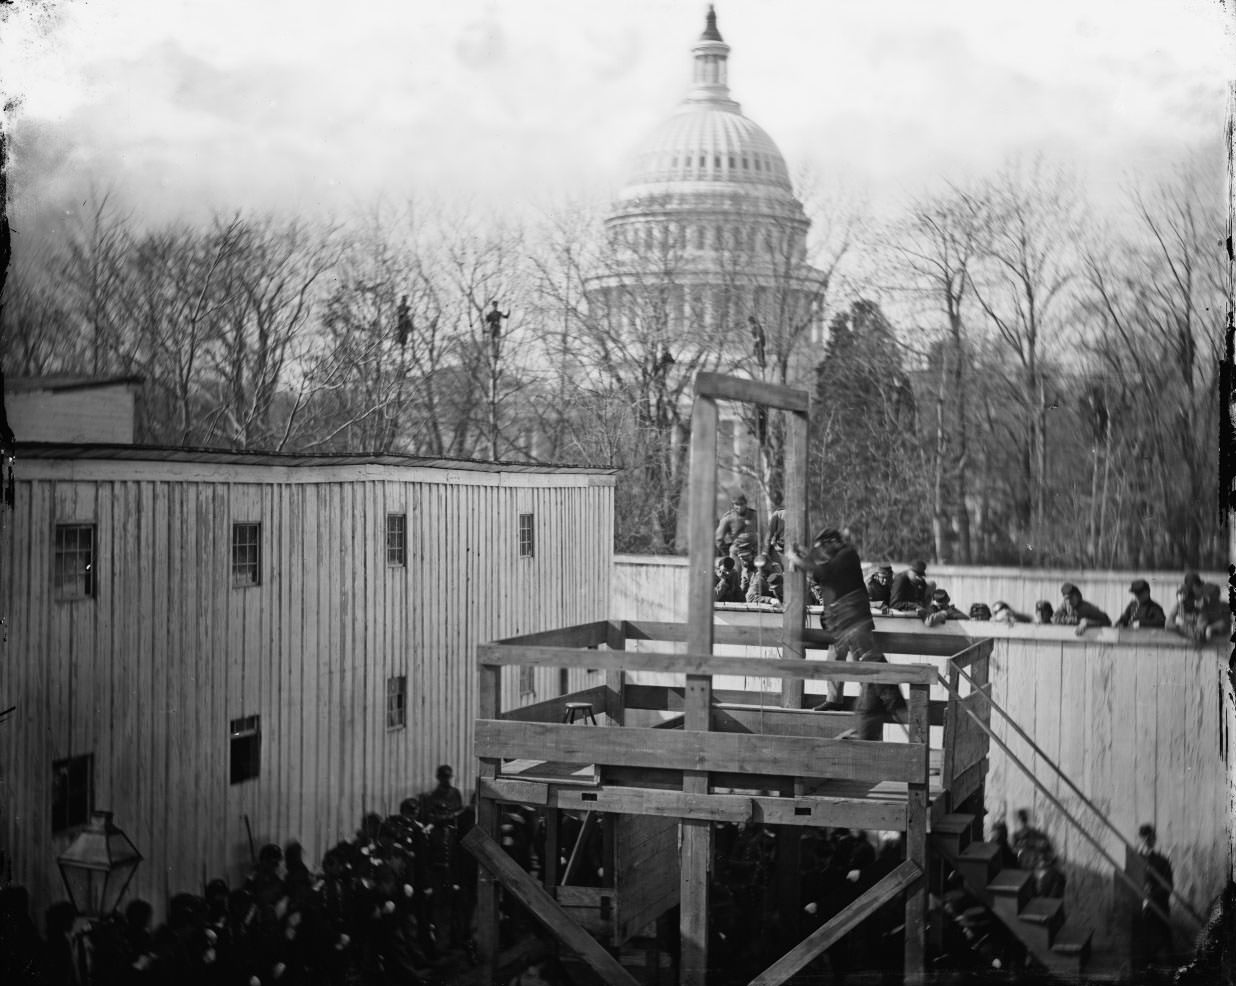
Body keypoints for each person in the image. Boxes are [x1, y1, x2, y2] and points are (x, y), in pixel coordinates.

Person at [784, 528, 907, 737]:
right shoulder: (837, 558)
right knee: (851, 662)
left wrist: (796, 557)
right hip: (843, 622)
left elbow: (823, 572)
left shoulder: (847, 555)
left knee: (868, 663)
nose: (821, 551)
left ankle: (889, 705)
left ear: (832, 542)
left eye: (822, 546)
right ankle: (848, 706)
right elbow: (819, 572)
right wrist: (803, 556)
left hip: (854, 620)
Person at [1131, 823, 1174, 972]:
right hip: (1140, 910)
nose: (1146, 841)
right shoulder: (1134, 860)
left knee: (1163, 947)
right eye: (1143, 838)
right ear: (1139, 839)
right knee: (1141, 949)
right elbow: (1128, 883)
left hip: (1158, 908)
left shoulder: (1162, 861)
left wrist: (1151, 893)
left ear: (1153, 840)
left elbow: (1168, 886)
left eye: (1149, 838)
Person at [714, 492, 760, 574]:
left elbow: (764, 533)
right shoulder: (728, 518)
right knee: (736, 577)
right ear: (733, 505)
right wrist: (727, 552)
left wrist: (763, 549)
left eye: (742, 504)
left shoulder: (754, 515)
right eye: (737, 504)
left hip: (754, 551)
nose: (740, 507)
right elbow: (718, 538)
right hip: (737, 552)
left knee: (758, 578)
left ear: (746, 504)